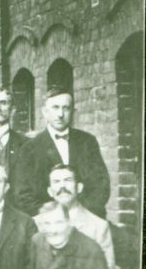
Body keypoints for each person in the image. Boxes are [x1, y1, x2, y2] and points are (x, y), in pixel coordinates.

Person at [16, 87, 111, 217]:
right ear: (45, 112)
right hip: (49, 222)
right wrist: (55, 216)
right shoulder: (29, 148)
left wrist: (79, 214)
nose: (60, 114)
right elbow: (23, 195)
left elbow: (101, 186)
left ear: (73, 112)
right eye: (55, 108)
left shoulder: (87, 142)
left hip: (87, 218)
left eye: (66, 108)